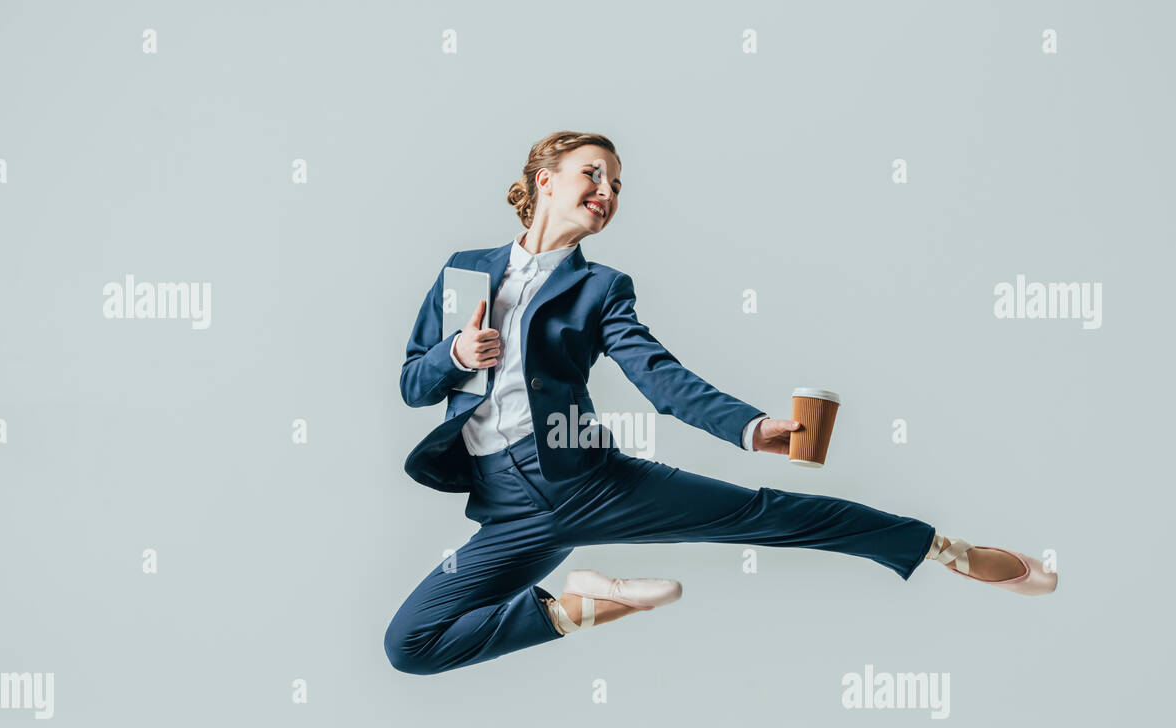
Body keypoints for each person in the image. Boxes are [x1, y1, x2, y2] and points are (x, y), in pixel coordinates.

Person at [387, 131, 1055, 676]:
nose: (607, 192)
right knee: (408, 645)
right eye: (594, 174)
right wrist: (454, 355)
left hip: (586, 478)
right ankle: (575, 607)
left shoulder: (600, 287)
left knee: (761, 515)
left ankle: (943, 548)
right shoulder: (465, 272)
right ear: (546, 180)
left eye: (617, 185)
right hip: (509, 510)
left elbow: (656, 372)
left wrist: (748, 426)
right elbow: (415, 383)